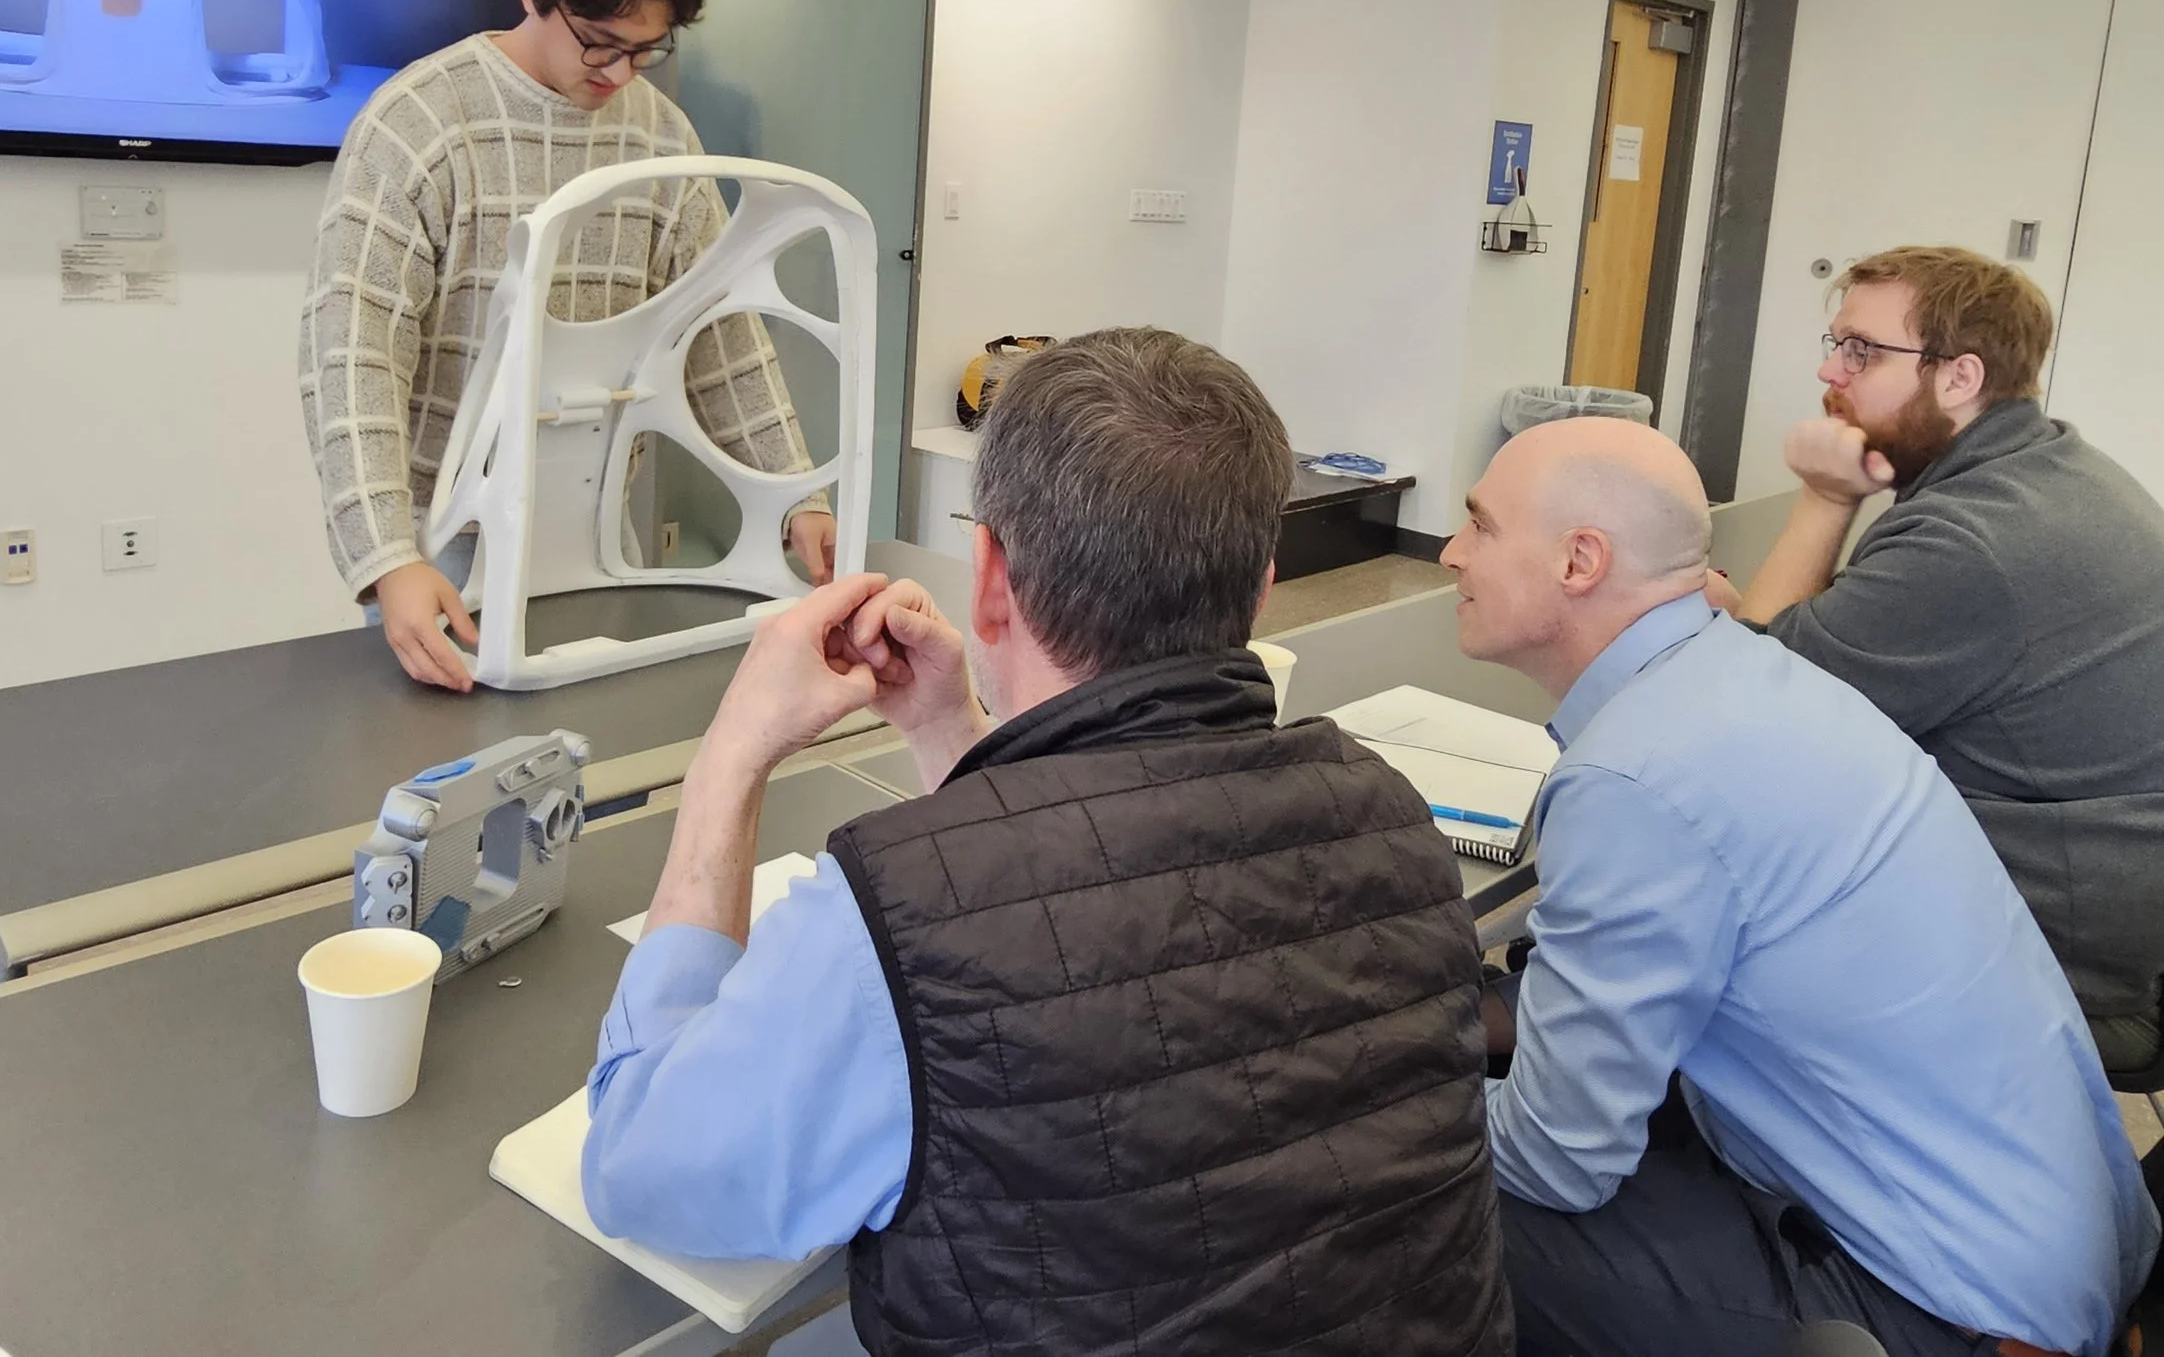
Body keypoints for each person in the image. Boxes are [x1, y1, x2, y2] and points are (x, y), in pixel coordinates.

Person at [582, 328, 1513, 1356]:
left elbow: (639, 1167)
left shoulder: (890, 919)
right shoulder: (1392, 817)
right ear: (1260, 588)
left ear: (987, 575)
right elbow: (1064, 906)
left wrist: (730, 755)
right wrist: (950, 728)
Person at [1447, 417, 2156, 1357]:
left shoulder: (1635, 777)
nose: (1451, 551)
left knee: (1393, 1196)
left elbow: (1556, 1157)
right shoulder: (1748, 678)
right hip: (2044, 1248)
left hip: (1940, 1309)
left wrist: (1374, 1108)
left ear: (1580, 560)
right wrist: (1451, 1021)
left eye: (1481, 524)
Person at [298, 0, 834, 691]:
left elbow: (720, 330)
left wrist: (796, 494)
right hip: (445, 539)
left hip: (596, 527)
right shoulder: (421, 122)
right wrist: (386, 557)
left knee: (598, 749)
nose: (621, 74)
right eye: (600, 43)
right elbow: (351, 351)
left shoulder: (661, 136)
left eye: (646, 49)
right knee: (448, 762)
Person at [1716, 245, 2164, 1071]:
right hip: (2113, 909)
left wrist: (1825, 497)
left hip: (2066, 960)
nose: (1829, 370)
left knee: (1708, 928)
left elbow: (1751, 717)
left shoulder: (1972, 539)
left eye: (1861, 350)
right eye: (1836, 342)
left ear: (1960, 377)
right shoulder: (2055, 467)